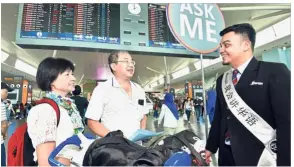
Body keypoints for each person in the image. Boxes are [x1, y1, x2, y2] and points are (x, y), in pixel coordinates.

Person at [205, 23, 290, 166]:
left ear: (245, 45)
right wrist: (210, 147)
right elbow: (219, 119)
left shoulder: (274, 72)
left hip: (261, 157)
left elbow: (287, 123)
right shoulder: (222, 80)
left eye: (226, 45)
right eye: (221, 46)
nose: (221, 50)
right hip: (227, 157)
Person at [27, 57, 84, 166]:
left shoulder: (68, 107)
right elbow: (46, 160)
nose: (73, 78)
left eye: (72, 74)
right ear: (51, 80)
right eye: (67, 75)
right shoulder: (45, 110)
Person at [85, 51, 148, 139]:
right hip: (112, 148)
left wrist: (142, 133)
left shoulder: (139, 89)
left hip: (136, 147)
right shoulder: (102, 89)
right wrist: (116, 138)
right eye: (126, 61)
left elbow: (143, 116)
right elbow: (92, 122)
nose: (131, 65)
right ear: (114, 66)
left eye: (132, 62)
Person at [1, 82, 14, 166]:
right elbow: (3, 125)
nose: (7, 94)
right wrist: (5, 135)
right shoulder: (1, 104)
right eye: (6, 92)